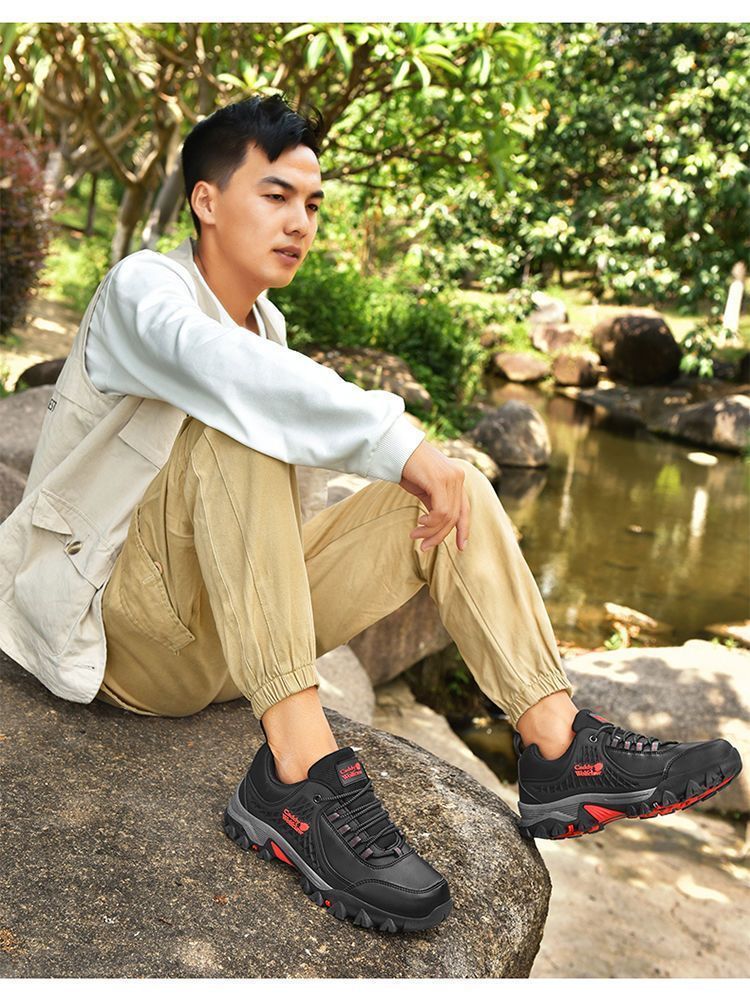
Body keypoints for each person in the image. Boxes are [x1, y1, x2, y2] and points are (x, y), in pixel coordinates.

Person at [0, 95, 741, 935]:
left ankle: (558, 744)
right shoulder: (143, 290)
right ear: (205, 201)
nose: (300, 222)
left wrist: (422, 466)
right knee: (237, 425)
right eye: (276, 195)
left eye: (312, 204)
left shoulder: (267, 325)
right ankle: (297, 779)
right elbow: (221, 372)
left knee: (458, 487)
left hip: (226, 640)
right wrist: (397, 440)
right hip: (124, 640)